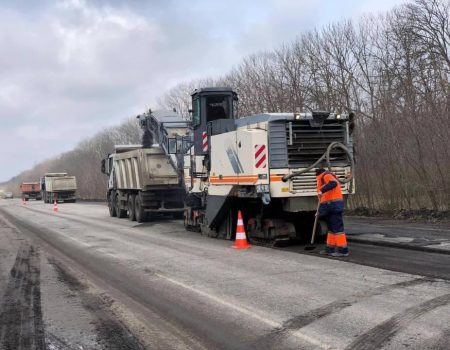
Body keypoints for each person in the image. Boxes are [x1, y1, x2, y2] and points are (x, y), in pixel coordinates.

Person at [316, 167, 349, 257]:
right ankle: (329, 249)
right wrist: (320, 211)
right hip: (330, 207)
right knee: (331, 229)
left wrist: (322, 190)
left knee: (338, 229)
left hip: (334, 207)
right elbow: (326, 198)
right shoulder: (323, 178)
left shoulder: (326, 176)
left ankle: (343, 250)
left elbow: (333, 183)